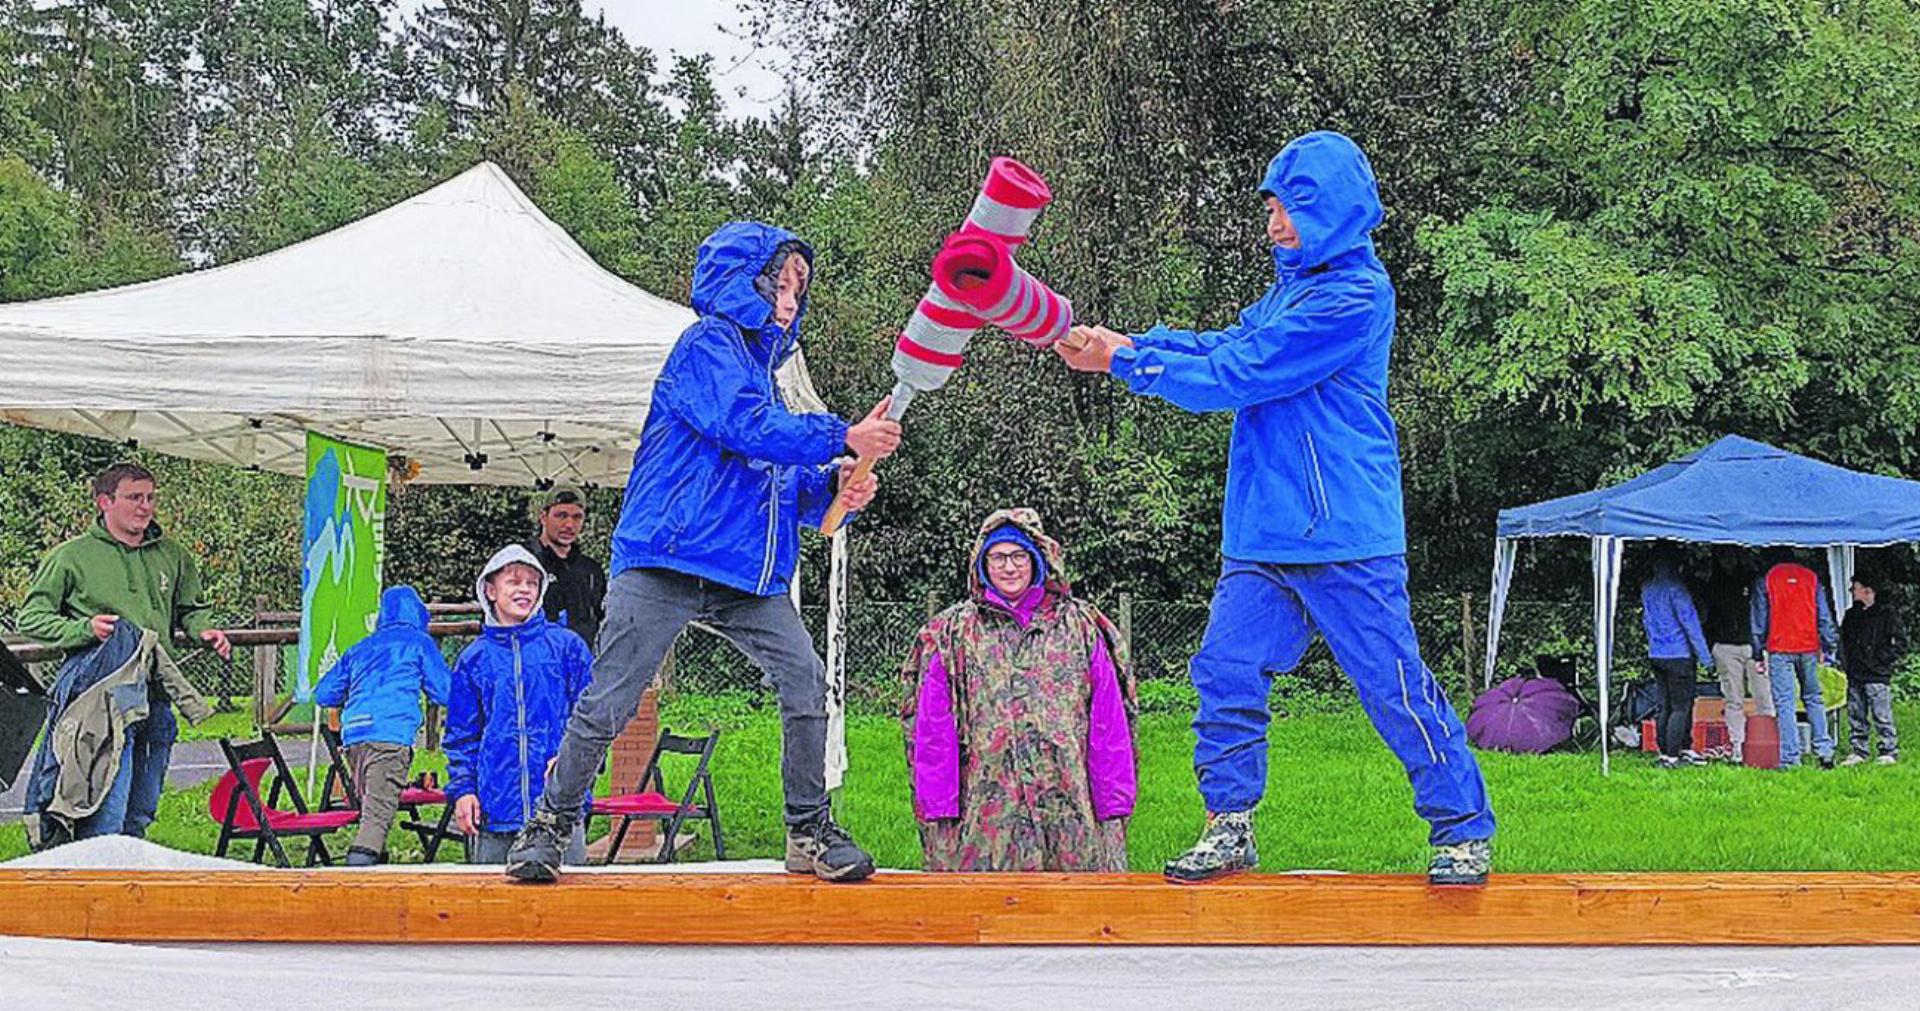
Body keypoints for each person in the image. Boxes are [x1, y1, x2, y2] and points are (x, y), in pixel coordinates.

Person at [1056, 132, 1495, 885]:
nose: (1273, 224)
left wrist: (1127, 362)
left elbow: (1245, 370)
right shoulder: (1288, 293)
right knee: (1224, 669)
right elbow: (1227, 340)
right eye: (1270, 207)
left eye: (1288, 207)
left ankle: (1463, 828)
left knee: (1393, 685)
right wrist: (1132, 340)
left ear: (1332, 209)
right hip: (1262, 533)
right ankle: (1229, 824)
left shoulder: (1356, 297)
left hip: (1345, 534)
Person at [503, 221, 899, 884]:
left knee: (805, 682)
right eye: (784, 279)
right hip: (666, 557)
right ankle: (548, 825)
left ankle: (808, 829)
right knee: (610, 700)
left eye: (802, 283)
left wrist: (833, 485)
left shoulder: (764, 380)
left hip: (743, 575)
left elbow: (771, 480)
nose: (794, 294)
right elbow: (746, 427)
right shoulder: (707, 348)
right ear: (748, 280)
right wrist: (842, 434)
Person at [901, 509, 1136, 872]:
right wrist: (938, 806)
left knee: (1072, 913)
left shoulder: (1081, 627)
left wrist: (1113, 800)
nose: (1008, 568)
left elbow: (1109, 721)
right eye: (997, 557)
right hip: (985, 811)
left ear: (1038, 559)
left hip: (1068, 802)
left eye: (1018, 556)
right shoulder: (952, 634)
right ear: (982, 563)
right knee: (984, 914)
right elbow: (933, 727)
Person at [16, 461, 231, 839]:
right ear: (105, 502)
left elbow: (191, 609)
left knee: (141, 815)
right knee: (104, 814)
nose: (145, 506)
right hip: (104, 702)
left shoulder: (173, 554)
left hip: (157, 697)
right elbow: (31, 617)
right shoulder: (71, 557)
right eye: (134, 497)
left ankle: (131, 886)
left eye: (150, 498)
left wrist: (205, 630)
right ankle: (91, 885)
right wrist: (83, 629)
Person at [445, 546, 595, 865]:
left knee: (568, 911)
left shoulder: (567, 648)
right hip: (495, 810)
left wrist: (574, 762)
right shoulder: (474, 659)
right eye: (514, 581)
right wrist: (463, 790)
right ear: (490, 589)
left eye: (532, 582)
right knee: (493, 910)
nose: (524, 589)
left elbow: (593, 720)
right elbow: (461, 737)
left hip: (559, 812)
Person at [313, 585, 453, 866]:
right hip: (390, 737)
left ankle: (374, 872)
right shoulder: (418, 643)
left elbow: (324, 693)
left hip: (354, 738)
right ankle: (356, 884)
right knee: (376, 819)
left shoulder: (362, 647)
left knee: (371, 809)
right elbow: (445, 691)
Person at [1751, 554, 1839, 769]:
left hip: (1779, 648)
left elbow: (1759, 620)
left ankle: (1791, 758)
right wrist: (1829, 647)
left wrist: (1757, 651)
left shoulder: (1766, 580)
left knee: (1785, 704)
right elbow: (1824, 617)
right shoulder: (1812, 578)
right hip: (1808, 647)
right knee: (1814, 698)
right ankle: (1825, 751)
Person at [1639, 551, 1713, 768]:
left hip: (1656, 653)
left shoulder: (1647, 588)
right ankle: (1674, 754)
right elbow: (1690, 624)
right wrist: (1705, 658)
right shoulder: (1677, 590)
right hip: (1679, 654)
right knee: (1681, 706)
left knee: (1665, 705)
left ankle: (1666, 751)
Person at [1703, 550, 1769, 760]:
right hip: (1726, 646)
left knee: (1764, 697)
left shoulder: (1752, 581)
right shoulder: (1714, 585)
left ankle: (1766, 744)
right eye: (1724, 556)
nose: (1727, 560)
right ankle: (1737, 746)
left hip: (1753, 646)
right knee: (1734, 699)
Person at [526, 486, 608, 652]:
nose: (569, 524)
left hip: (582, 666)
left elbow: (603, 620)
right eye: (561, 516)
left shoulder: (591, 570)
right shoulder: (523, 562)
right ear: (543, 517)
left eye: (577, 517)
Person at [1838, 573, 1900, 765]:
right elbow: (1844, 641)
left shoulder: (1887, 614)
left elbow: (1898, 643)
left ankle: (1888, 749)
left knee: (1881, 714)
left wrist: (1882, 660)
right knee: (1856, 714)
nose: (1852, 592)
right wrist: (1846, 662)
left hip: (1877, 673)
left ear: (1867, 591)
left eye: (1854, 589)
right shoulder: (1851, 615)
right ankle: (1859, 750)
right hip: (1855, 672)